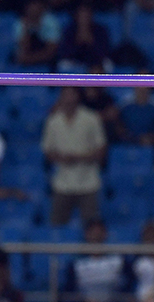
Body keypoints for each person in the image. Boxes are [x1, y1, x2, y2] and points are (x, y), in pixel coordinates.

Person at [42, 86, 107, 226]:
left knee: (91, 226)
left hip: (88, 183)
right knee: (56, 226)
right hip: (62, 183)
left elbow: (101, 149)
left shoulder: (91, 118)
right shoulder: (53, 121)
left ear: (78, 96)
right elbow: (47, 151)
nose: (68, 98)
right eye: (65, 94)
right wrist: (61, 158)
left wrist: (79, 158)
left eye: (72, 94)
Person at [68, 219, 127, 302]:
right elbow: (71, 288)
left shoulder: (117, 261)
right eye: (93, 232)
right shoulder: (77, 264)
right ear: (86, 235)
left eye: (99, 232)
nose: (96, 235)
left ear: (105, 234)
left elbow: (125, 285)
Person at [59, 3, 112, 71]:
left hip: (96, 60)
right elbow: (64, 53)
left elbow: (105, 52)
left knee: (108, 64)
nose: (83, 18)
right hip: (76, 61)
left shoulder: (100, 30)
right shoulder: (70, 30)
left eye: (86, 15)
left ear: (91, 15)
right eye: (81, 15)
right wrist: (77, 42)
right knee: (63, 64)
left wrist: (91, 41)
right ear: (76, 16)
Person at [13, 0, 62, 67]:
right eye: (31, 6)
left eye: (36, 5)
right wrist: (26, 29)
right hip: (28, 59)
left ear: (42, 7)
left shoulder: (51, 22)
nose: (33, 9)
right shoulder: (21, 23)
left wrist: (30, 59)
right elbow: (22, 50)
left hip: (48, 60)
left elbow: (52, 50)